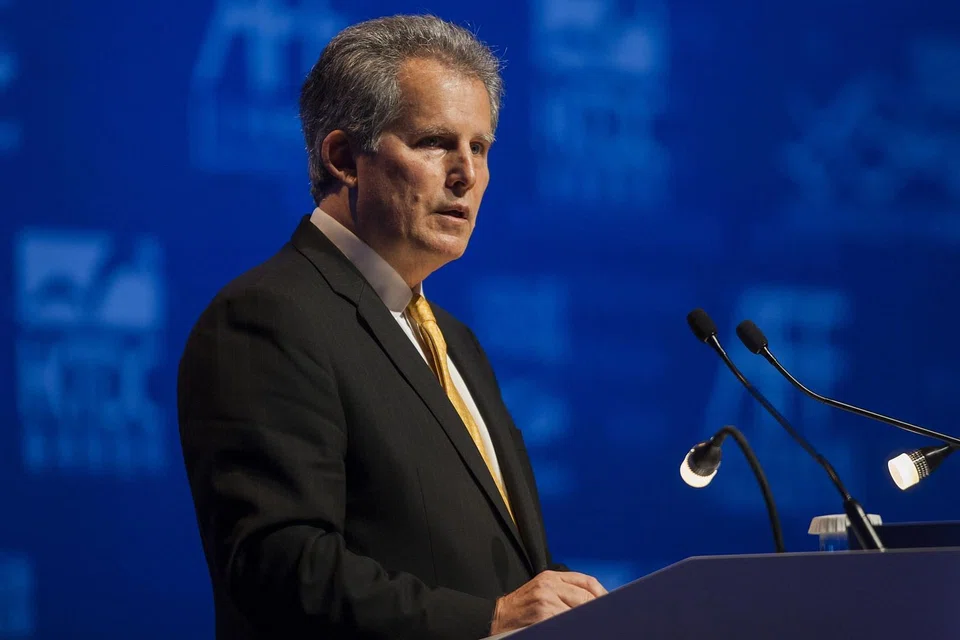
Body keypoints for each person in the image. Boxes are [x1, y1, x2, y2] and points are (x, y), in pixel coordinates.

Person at [177, 14, 606, 639]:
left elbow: (495, 565)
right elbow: (279, 567)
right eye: (434, 142)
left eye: (480, 148)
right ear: (344, 158)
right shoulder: (268, 318)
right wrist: (488, 619)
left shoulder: (457, 343)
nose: (466, 174)